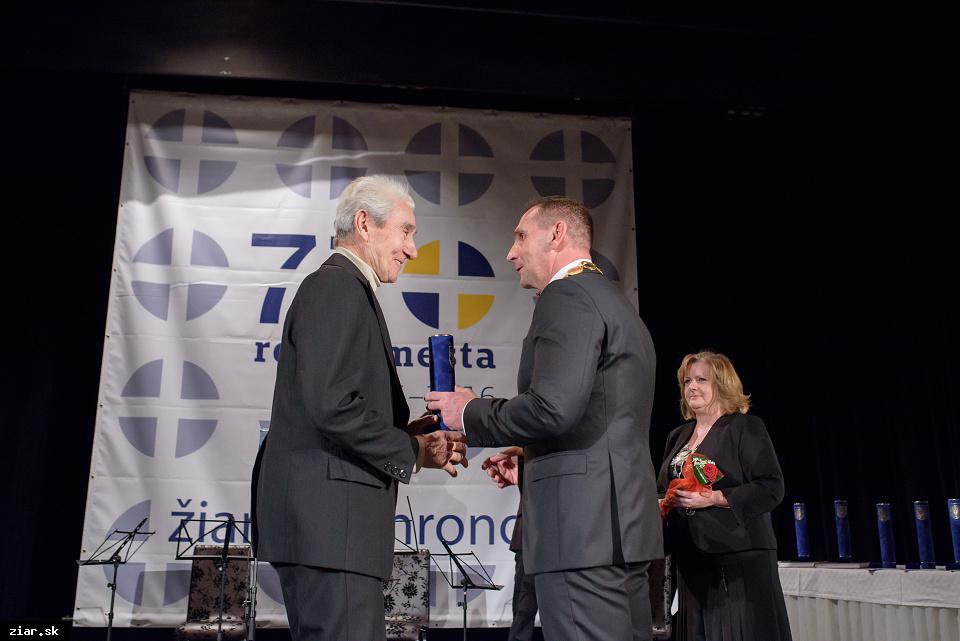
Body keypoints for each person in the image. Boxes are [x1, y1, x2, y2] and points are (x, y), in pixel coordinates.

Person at [427, 196, 663, 641]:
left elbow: (553, 408)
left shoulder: (566, 294)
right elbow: (597, 414)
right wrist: (529, 454)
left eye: (520, 237)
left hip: (580, 537)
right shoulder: (612, 302)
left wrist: (470, 411)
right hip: (618, 530)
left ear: (557, 234)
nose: (510, 252)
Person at [251, 175, 468, 641]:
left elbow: (332, 403)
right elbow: (332, 405)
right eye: (406, 231)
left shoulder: (345, 288)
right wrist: (411, 452)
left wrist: (413, 436)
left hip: (332, 531)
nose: (412, 249)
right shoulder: (336, 287)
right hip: (331, 530)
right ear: (365, 224)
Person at [657, 350, 792, 641]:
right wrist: (659, 504)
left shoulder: (744, 427)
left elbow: (771, 486)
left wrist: (716, 498)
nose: (691, 386)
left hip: (738, 561)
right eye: (687, 381)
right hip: (691, 564)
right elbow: (662, 488)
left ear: (722, 384)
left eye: (701, 380)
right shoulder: (677, 436)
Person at [482, 447, 538, 641]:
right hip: (528, 536)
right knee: (522, 613)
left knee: (564, 615)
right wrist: (523, 457)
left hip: (566, 537)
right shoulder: (525, 452)